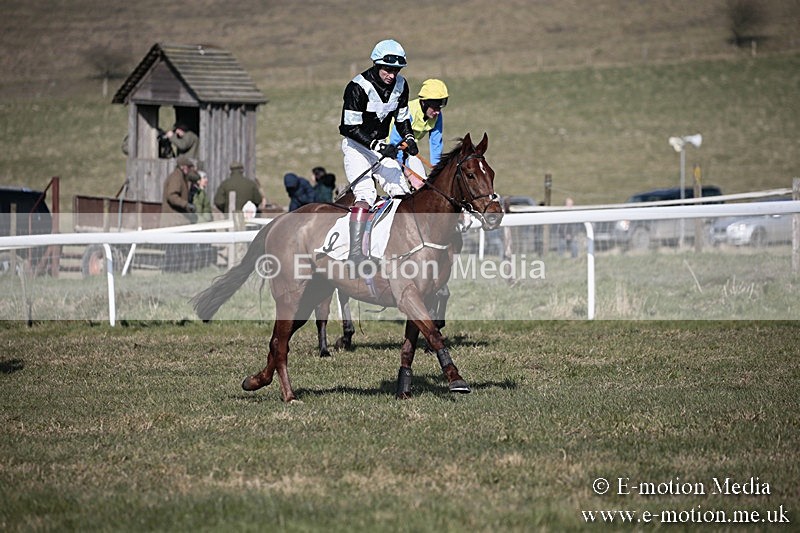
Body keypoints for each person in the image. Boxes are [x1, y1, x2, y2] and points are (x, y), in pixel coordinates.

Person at [339, 38, 418, 265]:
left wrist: (409, 137)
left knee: (401, 192)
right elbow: (349, 128)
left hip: (380, 146)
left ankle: (400, 248)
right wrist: (375, 146)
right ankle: (355, 254)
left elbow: (402, 118)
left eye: (396, 70)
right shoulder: (357, 87)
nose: (392, 75)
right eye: (388, 69)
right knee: (366, 195)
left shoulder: (402, 86)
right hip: (357, 148)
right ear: (376, 64)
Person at [389, 78, 449, 189]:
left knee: (423, 186)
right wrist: (408, 172)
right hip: (390, 150)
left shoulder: (437, 116)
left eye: (440, 106)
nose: (438, 112)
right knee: (399, 188)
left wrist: (437, 172)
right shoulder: (409, 112)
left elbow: (436, 143)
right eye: (435, 107)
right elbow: (395, 144)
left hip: (409, 150)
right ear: (424, 102)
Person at [161, 156, 198, 271]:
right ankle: (170, 271)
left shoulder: (181, 176)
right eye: (188, 167)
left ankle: (173, 271)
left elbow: (195, 177)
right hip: (174, 219)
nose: (189, 169)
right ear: (182, 167)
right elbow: (172, 196)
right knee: (173, 249)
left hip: (176, 219)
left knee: (175, 249)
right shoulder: (176, 177)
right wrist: (186, 204)